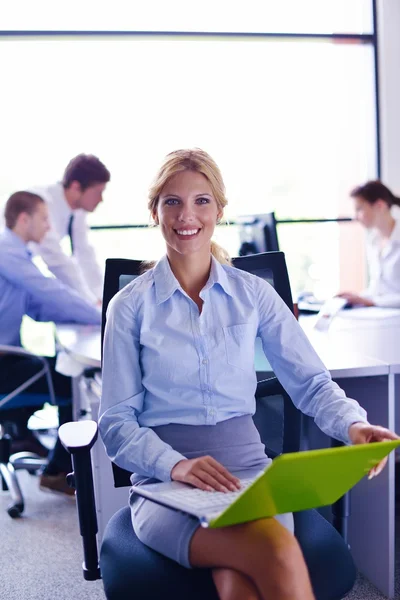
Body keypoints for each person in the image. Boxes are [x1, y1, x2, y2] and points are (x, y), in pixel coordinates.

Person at [99, 150, 398, 600]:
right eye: (172, 202)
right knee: (276, 550)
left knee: (239, 583)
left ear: (219, 210)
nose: (187, 216)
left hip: (251, 475)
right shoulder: (130, 307)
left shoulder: (253, 294)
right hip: (166, 485)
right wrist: (175, 464)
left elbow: (311, 382)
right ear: (154, 211)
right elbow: (116, 424)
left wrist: (353, 424)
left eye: (201, 201)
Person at [0, 191, 101, 495]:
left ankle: (41, 450)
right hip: (2, 363)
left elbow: (39, 306)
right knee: (68, 377)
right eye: (44, 219)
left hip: (6, 356)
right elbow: (48, 291)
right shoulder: (7, 252)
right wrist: (103, 315)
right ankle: (59, 471)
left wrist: (84, 314)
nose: (48, 227)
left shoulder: (14, 255)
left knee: (55, 366)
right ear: (23, 219)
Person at [29, 153, 110, 305]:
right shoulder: (42, 204)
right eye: (98, 192)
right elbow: (57, 261)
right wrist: (89, 301)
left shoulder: (77, 212)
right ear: (75, 186)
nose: (101, 199)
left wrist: (102, 297)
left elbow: (85, 254)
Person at [339, 180, 400, 308]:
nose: (356, 217)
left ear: (379, 206)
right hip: (380, 314)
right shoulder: (373, 241)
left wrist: (371, 302)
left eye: (359, 209)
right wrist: (357, 297)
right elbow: (378, 290)